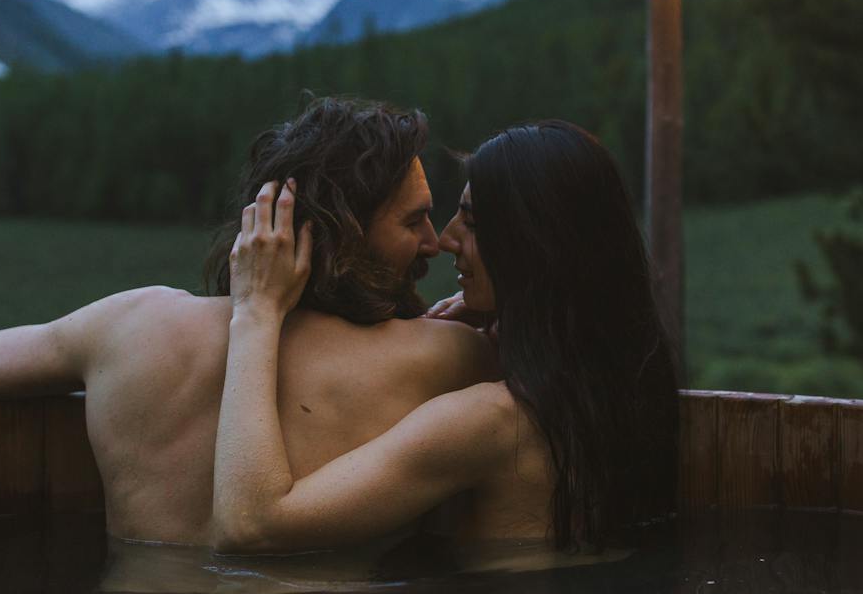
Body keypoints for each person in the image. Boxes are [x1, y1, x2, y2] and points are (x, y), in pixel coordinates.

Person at [0, 96, 497, 544]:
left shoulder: (130, 324)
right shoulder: (441, 357)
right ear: (345, 231)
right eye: (414, 221)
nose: (433, 243)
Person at [212, 120, 680, 554]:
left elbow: (252, 525)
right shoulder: (622, 389)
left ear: (536, 243)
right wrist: (506, 320)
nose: (446, 239)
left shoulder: (487, 422)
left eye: (473, 224)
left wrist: (257, 312)